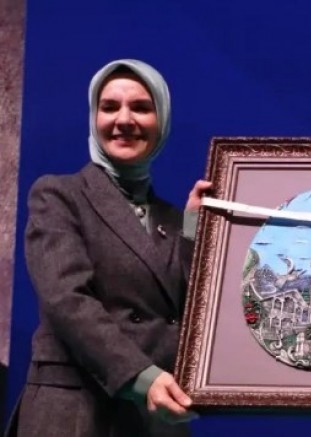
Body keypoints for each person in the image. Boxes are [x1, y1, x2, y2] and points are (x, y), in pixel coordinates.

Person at [6, 59, 211, 436]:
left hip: (154, 420)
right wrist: (142, 377)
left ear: (162, 120)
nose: (124, 119)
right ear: (94, 117)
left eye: (141, 107)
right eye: (110, 107)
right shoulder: (58, 195)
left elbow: (193, 312)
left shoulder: (172, 217)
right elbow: (67, 300)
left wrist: (196, 227)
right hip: (75, 415)